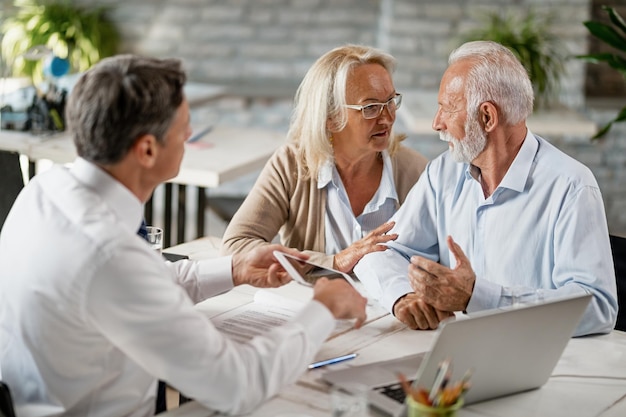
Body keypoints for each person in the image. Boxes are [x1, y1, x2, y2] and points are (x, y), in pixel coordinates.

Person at [0, 55, 367, 417]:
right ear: (147, 149)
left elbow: (142, 282)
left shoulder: (43, 191)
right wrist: (324, 308)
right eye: (184, 127)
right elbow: (238, 385)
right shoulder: (110, 253)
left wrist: (235, 269)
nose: (191, 135)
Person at [354, 40, 618, 337]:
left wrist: (476, 297)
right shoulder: (443, 173)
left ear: (487, 117)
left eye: (446, 109)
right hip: (451, 352)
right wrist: (402, 296)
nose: (436, 123)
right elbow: (378, 251)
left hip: (539, 364)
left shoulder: (571, 186)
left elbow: (598, 307)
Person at [220, 44, 428, 272]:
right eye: (370, 107)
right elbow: (236, 245)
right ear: (330, 116)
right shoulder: (291, 164)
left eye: (390, 101)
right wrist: (334, 262)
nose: (388, 117)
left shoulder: (416, 171)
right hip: (313, 304)